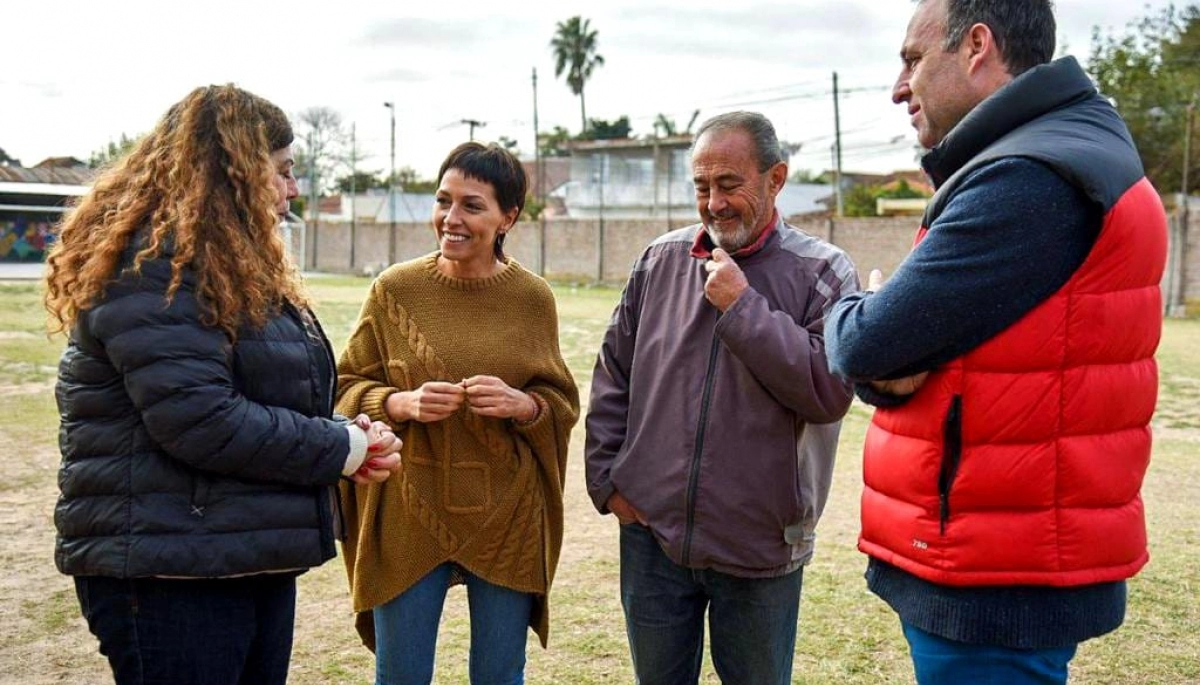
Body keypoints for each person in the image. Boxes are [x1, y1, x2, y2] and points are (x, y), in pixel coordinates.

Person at [825, 1, 1169, 683]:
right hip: (1004, 545)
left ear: (977, 46)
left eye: (913, 59)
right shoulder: (1062, 151)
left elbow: (868, 342)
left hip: (995, 565)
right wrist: (890, 351)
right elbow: (901, 351)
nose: (900, 86)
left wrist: (853, 311)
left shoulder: (1029, 176)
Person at [44, 84, 403, 685]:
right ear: (228, 171)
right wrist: (339, 450)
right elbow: (200, 419)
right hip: (170, 574)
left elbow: (264, 395)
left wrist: (341, 434)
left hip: (237, 555)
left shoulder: (230, 267)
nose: (293, 190)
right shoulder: (155, 269)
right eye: (282, 172)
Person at [584, 111, 859, 685]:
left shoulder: (825, 272)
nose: (714, 203)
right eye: (702, 187)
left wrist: (743, 306)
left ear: (776, 178)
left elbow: (827, 391)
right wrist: (609, 485)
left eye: (730, 184)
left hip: (761, 547)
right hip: (652, 540)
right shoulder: (659, 259)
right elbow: (614, 373)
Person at [335, 141, 580, 685]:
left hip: (508, 513)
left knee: (499, 676)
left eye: (473, 205)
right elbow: (345, 387)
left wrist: (525, 405)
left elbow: (562, 403)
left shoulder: (532, 298)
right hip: (406, 508)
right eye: (443, 200)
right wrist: (399, 403)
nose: (451, 218)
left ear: (507, 217)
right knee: (399, 676)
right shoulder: (394, 290)